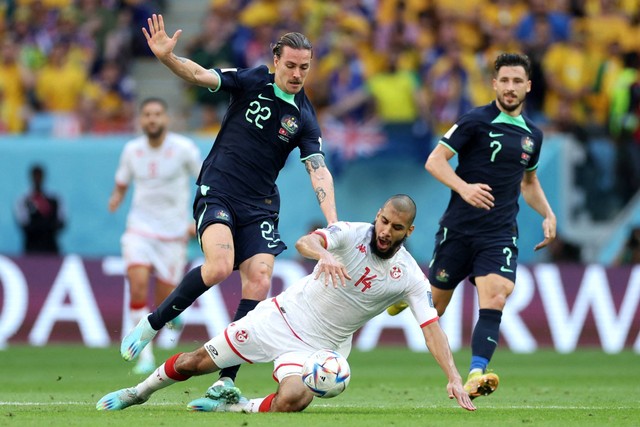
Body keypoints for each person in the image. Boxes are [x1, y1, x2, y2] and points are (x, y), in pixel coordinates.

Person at [119, 13, 338, 403]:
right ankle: (153, 324)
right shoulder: (253, 79)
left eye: (304, 67)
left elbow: (318, 171)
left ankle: (226, 381)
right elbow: (200, 75)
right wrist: (168, 58)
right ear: (276, 60)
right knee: (220, 266)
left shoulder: (304, 118)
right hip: (218, 190)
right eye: (290, 65)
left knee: (259, 279)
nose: (297, 73)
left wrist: (334, 223)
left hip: (261, 206)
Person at [96, 195, 476, 413]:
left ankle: (236, 407)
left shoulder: (410, 276)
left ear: (408, 232)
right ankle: (138, 393)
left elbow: (432, 329)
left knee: (294, 399)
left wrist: (454, 377)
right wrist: (323, 255)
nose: (384, 231)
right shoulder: (351, 234)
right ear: (377, 215)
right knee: (196, 362)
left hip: (322, 349)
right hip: (280, 318)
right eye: (383, 221)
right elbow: (306, 242)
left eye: (395, 228)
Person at [388, 53, 556, 400]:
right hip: (459, 230)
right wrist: (464, 188)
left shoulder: (533, 137)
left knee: (496, 295)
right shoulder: (475, 121)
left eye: (516, 81)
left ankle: (476, 372)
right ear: (495, 84)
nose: (510, 88)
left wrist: (548, 214)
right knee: (435, 304)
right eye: (504, 81)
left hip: (499, 233)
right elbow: (435, 161)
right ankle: (408, 293)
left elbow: (529, 183)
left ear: (528, 86)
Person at [108, 97, 201, 375]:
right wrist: (116, 198)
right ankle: (144, 355)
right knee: (137, 287)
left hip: (173, 235)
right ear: (141, 120)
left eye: (157, 114)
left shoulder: (183, 149)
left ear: (166, 119)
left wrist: (197, 221)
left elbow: (206, 182)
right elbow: (122, 182)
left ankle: (173, 317)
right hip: (139, 230)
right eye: (147, 114)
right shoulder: (132, 150)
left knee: (165, 302)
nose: (152, 119)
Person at [14, 164, 66, 254]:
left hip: (51, 247)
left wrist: (48, 227)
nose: (37, 179)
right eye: (35, 176)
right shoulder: (24, 200)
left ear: (44, 177)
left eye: (39, 175)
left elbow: (62, 222)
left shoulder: (54, 199)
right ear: (31, 177)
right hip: (31, 248)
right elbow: (23, 223)